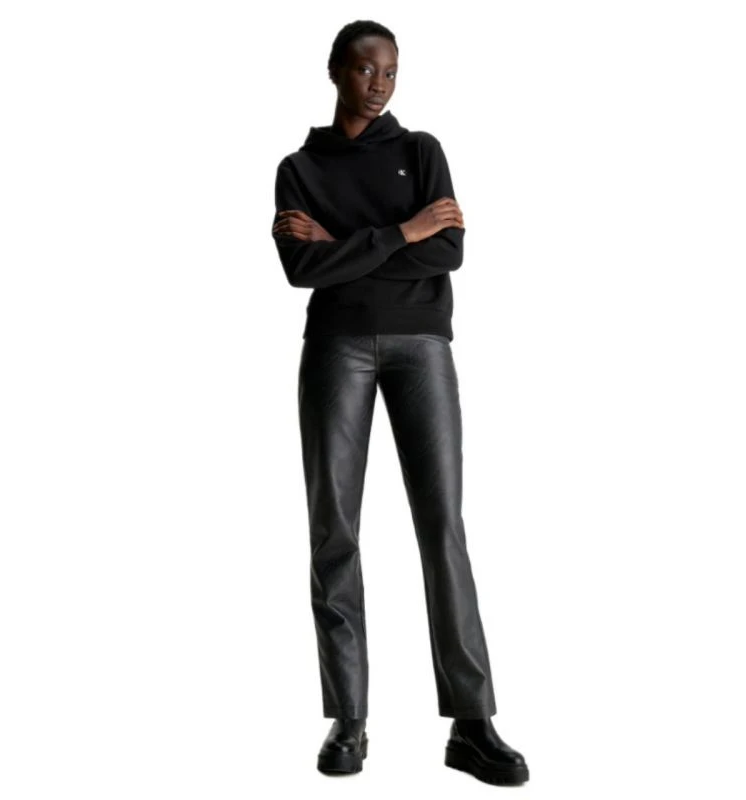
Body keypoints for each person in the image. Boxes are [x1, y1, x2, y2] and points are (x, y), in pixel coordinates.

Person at [271, 19, 529, 787]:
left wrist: (347, 245)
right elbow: (301, 268)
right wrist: (401, 231)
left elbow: (450, 250)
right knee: (334, 530)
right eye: (365, 68)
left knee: (443, 527)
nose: (379, 83)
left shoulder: (421, 152)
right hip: (336, 347)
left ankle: (472, 724)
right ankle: (348, 719)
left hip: (423, 344)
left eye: (390, 71)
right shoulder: (299, 168)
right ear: (335, 71)